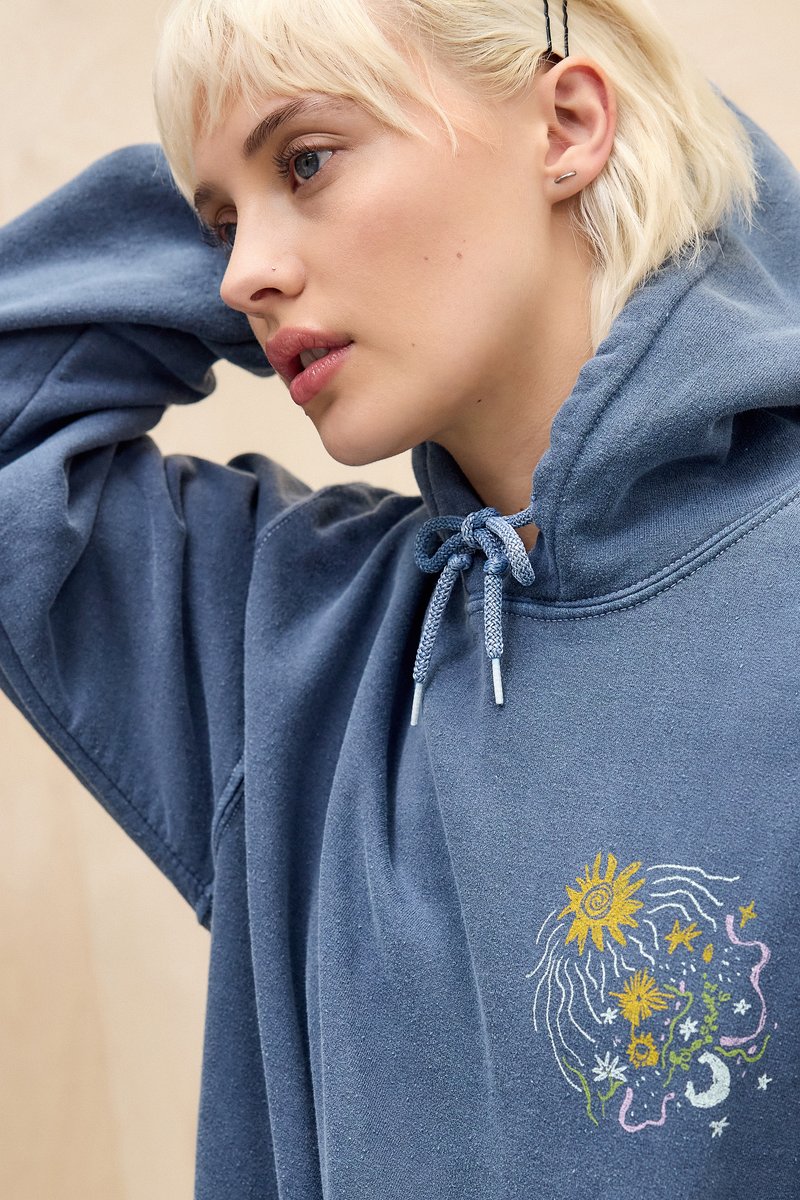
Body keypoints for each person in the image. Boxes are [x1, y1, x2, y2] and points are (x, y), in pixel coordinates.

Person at [1, 0, 798, 1195]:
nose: (243, 276)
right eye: (218, 226)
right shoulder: (287, 648)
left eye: (305, 161)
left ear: (566, 126)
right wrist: (272, 202)